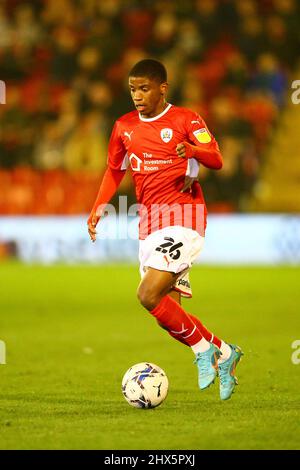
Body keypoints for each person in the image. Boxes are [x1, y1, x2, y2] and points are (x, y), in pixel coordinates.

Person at [87, 59, 243, 400]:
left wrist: (193, 150)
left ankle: (203, 350)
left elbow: (216, 159)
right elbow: (114, 169)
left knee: (147, 294)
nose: (137, 96)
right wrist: (100, 205)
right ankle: (226, 353)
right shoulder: (123, 127)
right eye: (132, 89)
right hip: (150, 224)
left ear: (162, 88)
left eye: (144, 89)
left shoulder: (186, 119)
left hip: (184, 216)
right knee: (164, 314)